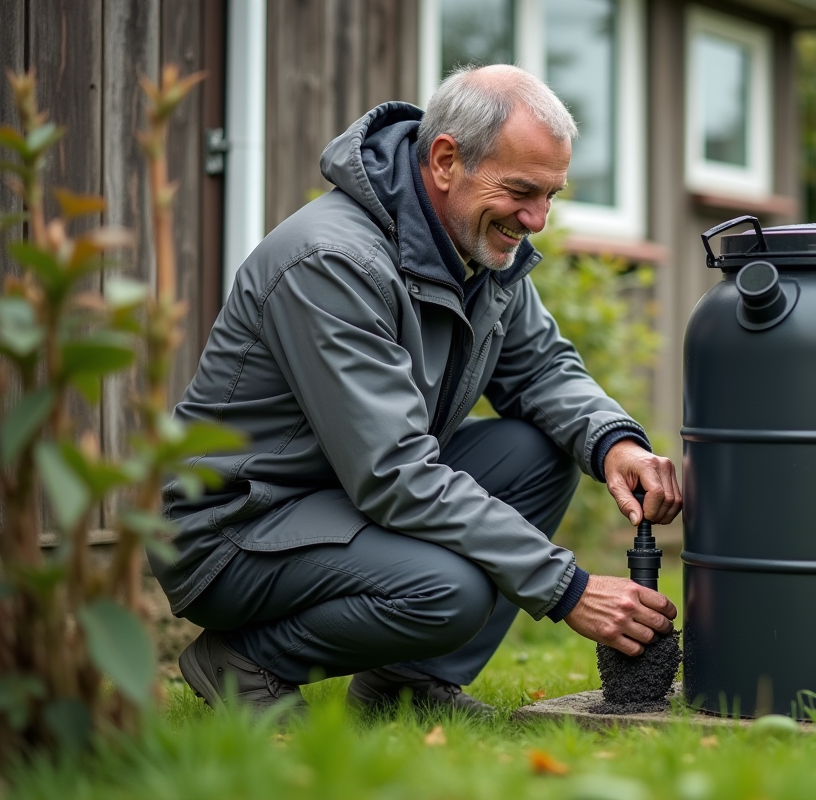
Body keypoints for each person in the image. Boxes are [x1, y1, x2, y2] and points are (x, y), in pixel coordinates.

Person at [151, 64, 681, 717]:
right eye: (521, 190)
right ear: (445, 160)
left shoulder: (477, 246)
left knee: (539, 453)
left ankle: (406, 686)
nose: (537, 218)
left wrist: (613, 443)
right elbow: (394, 471)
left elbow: (541, 368)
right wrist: (568, 588)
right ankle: (245, 662)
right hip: (239, 527)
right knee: (447, 589)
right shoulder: (334, 261)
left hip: (337, 496)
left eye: (551, 194)